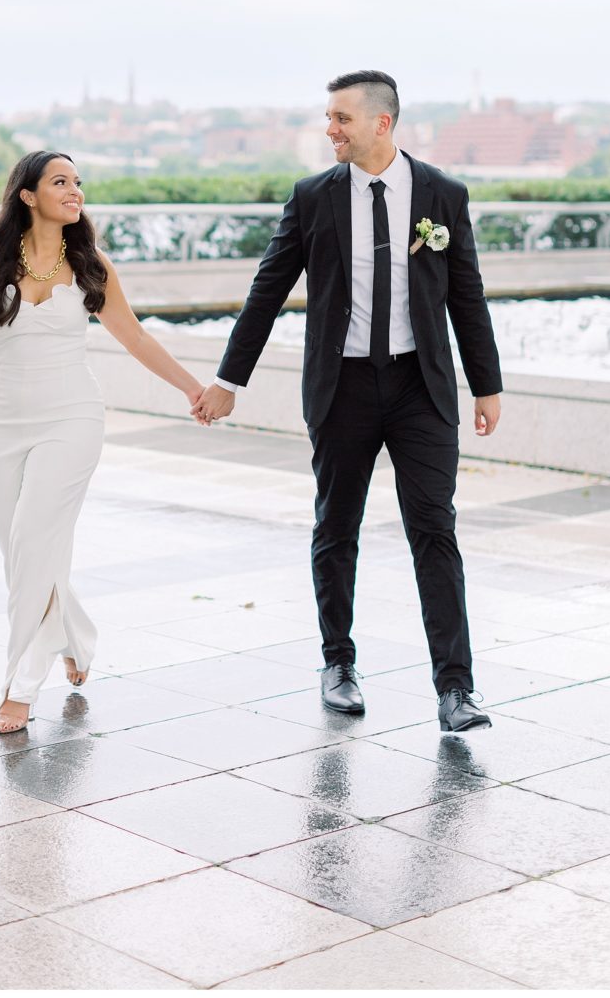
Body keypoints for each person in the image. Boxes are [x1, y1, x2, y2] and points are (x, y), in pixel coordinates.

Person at [193, 71, 503, 733]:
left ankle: (455, 689)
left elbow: (465, 294)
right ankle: (337, 663)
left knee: (434, 528)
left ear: (380, 124)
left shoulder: (442, 195)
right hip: (343, 388)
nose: (329, 129)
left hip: (421, 388)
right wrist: (228, 381)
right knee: (336, 527)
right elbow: (266, 292)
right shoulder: (313, 198)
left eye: (340, 119)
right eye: (328, 118)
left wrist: (486, 385)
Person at [0, 149, 208, 735]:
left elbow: (135, 337)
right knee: (17, 548)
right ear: (27, 195)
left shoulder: (91, 264)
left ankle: (20, 688)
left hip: (72, 417)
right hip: (4, 421)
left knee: (32, 537)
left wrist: (195, 388)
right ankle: (72, 634)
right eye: (61, 182)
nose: (75, 191)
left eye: (78, 182)